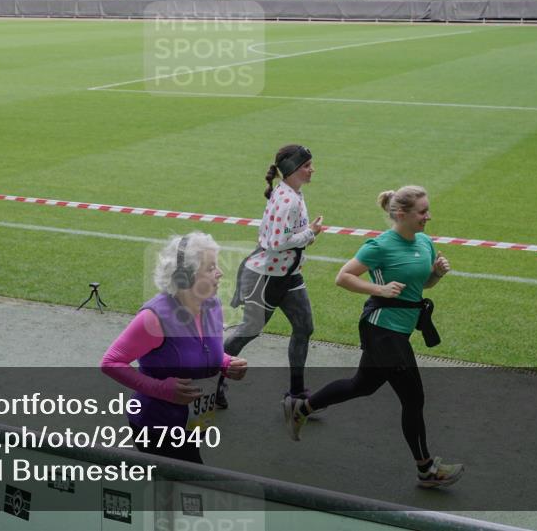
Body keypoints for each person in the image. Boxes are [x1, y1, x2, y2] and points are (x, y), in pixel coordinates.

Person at [281, 185, 463, 489]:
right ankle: (426, 469)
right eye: (422, 212)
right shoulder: (379, 246)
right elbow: (344, 277)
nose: (428, 216)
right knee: (414, 398)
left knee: (361, 385)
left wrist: (437, 274)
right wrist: (378, 289)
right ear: (402, 214)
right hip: (382, 330)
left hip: (399, 330)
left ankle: (301, 407)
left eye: (428, 210)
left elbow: (423, 286)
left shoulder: (425, 243)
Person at [101, 232, 247, 463]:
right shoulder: (155, 317)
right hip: (156, 428)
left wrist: (226, 362)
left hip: (192, 425)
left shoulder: (212, 305)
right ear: (185, 278)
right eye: (210, 268)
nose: (220, 273)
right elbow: (111, 362)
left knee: (174, 493)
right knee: (188, 488)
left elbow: (203, 350)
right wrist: (162, 389)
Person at [216, 144, 323, 408]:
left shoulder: (292, 193)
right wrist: (310, 234)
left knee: (304, 328)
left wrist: (304, 237)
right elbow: (277, 242)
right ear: (293, 169)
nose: (312, 169)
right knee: (248, 332)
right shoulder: (287, 200)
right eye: (307, 165)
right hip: (267, 277)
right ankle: (212, 377)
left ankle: (296, 393)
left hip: (287, 275)